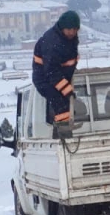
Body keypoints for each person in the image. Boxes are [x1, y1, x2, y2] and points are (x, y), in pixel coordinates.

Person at [32, 10, 81, 138]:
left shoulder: (69, 38)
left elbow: (68, 61)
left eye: (75, 29)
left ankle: (64, 124)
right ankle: (63, 135)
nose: (72, 32)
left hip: (59, 76)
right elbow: (51, 71)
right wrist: (66, 89)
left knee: (66, 102)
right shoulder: (51, 42)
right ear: (62, 27)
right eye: (69, 29)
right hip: (44, 79)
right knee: (60, 103)